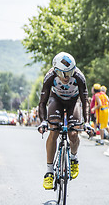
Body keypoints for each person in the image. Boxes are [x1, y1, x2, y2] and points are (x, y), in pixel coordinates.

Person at [37, 52, 90, 190]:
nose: (68, 77)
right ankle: (49, 172)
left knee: (73, 134)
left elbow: (85, 101)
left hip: (74, 101)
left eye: (71, 72)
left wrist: (87, 122)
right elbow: (42, 102)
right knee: (53, 132)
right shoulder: (50, 77)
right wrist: (43, 121)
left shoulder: (79, 77)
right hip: (56, 100)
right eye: (64, 73)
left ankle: (73, 158)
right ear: (56, 70)